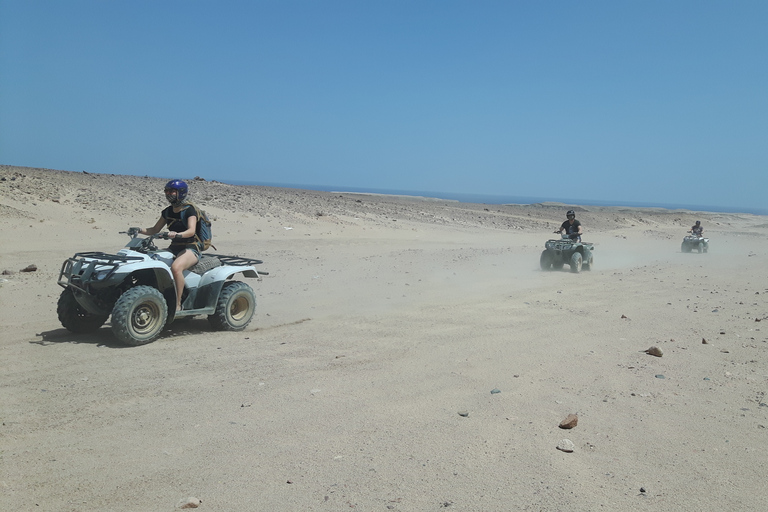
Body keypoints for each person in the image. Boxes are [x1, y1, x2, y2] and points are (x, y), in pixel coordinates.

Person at [132, 180, 201, 312]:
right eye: (167, 191)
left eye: (171, 191)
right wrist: (139, 230)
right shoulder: (168, 212)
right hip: (174, 247)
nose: (168, 194)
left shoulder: (189, 210)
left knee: (176, 268)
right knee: (151, 260)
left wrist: (177, 235)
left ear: (180, 193)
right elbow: (154, 229)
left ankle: (178, 303)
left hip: (191, 247)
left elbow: (191, 231)